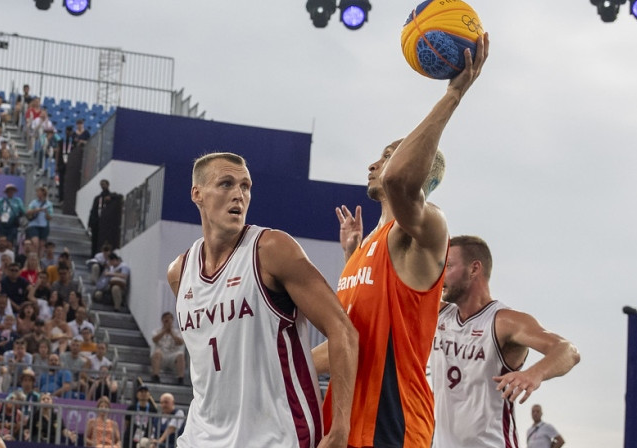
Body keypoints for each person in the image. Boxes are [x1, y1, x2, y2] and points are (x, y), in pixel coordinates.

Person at [313, 34, 489, 448]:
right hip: (346, 424)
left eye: (389, 154)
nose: (375, 164)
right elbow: (351, 342)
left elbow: (398, 180)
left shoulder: (430, 230)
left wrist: (454, 94)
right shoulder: (364, 251)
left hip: (393, 424)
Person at [166, 152, 358, 447]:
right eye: (226, 184)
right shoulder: (179, 272)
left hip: (275, 436)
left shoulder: (271, 249)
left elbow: (343, 330)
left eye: (245, 186)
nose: (238, 195)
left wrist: (341, 429)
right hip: (200, 436)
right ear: (197, 194)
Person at [429, 236, 580, 447]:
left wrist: (534, 374)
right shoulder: (438, 313)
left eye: (449, 266)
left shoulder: (503, 321)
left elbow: (568, 350)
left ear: (474, 269)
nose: (441, 275)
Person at [149, 312, 185, 384]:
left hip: (172, 355)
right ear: (162, 321)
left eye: (169, 319)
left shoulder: (177, 332)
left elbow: (180, 342)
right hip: (162, 355)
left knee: (180, 355)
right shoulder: (157, 331)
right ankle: (156, 376)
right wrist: (164, 331)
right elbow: (154, 339)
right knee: (156, 353)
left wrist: (171, 333)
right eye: (166, 320)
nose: (167, 321)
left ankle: (181, 378)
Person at [123, 384, 158, 448]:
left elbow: (154, 424)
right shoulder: (131, 408)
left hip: (146, 438)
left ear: (149, 395)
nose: (143, 394)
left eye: (145, 392)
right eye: (141, 392)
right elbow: (127, 422)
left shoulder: (153, 409)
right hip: (130, 437)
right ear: (137, 394)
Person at [88, 179, 116, 257]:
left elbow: (117, 197)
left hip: (106, 225)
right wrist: (90, 223)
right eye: (101, 184)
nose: (102, 186)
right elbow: (93, 211)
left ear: (108, 185)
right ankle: (93, 256)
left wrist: (110, 197)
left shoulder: (111, 197)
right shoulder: (98, 198)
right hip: (97, 223)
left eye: (104, 184)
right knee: (95, 241)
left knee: (104, 242)